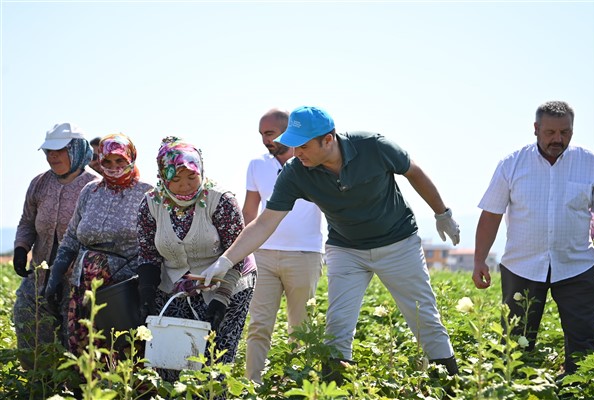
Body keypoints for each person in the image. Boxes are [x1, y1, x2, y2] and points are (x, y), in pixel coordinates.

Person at [200, 106, 461, 381]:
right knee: (337, 328)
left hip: (397, 242)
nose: (297, 153)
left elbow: (414, 172)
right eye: (293, 146)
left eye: (303, 146)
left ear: (328, 139)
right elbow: (265, 222)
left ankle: (449, 387)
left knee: (425, 321)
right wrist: (226, 260)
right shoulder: (296, 171)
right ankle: (335, 390)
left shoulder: (373, 146)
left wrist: (442, 213)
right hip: (346, 250)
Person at [472, 101, 594, 375]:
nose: (558, 139)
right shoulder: (512, 164)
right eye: (550, 132)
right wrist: (479, 259)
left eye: (565, 132)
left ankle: (577, 389)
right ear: (536, 129)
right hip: (523, 266)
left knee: (585, 340)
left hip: (577, 265)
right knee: (517, 341)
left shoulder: (591, 163)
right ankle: (516, 388)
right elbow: (491, 215)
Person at [136, 136, 256, 381]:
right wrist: (146, 293)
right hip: (174, 285)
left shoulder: (220, 200)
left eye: (192, 177)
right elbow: (148, 253)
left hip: (230, 282)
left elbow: (238, 251)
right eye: (176, 179)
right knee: (171, 361)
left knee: (215, 362)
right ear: (163, 178)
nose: (185, 185)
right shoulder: (150, 204)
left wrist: (221, 298)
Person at [44, 133, 152, 355]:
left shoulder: (147, 193)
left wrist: (147, 287)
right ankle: (85, 391)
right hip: (83, 285)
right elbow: (72, 236)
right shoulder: (91, 191)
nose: (113, 166)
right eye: (107, 161)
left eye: (120, 160)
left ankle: (121, 391)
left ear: (131, 158)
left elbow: (154, 243)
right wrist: (56, 274)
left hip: (121, 287)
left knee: (120, 347)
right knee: (83, 346)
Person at [243, 108, 325, 383]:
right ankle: (252, 385)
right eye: (262, 134)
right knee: (258, 326)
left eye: (270, 133)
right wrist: (244, 254)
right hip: (263, 256)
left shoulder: (313, 163)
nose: (265, 140)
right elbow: (249, 211)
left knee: (301, 328)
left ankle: (299, 384)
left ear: (287, 131)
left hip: (305, 254)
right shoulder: (257, 164)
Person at [12, 122, 97, 368]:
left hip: (77, 281)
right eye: (49, 151)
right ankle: (37, 383)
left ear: (77, 150)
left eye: (59, 151)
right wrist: (21, 249)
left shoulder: (94, 187)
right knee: (29, 322)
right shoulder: (39, 184)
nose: (52, 156)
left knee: (74, 343)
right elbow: (27, 222)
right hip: (39, 275)